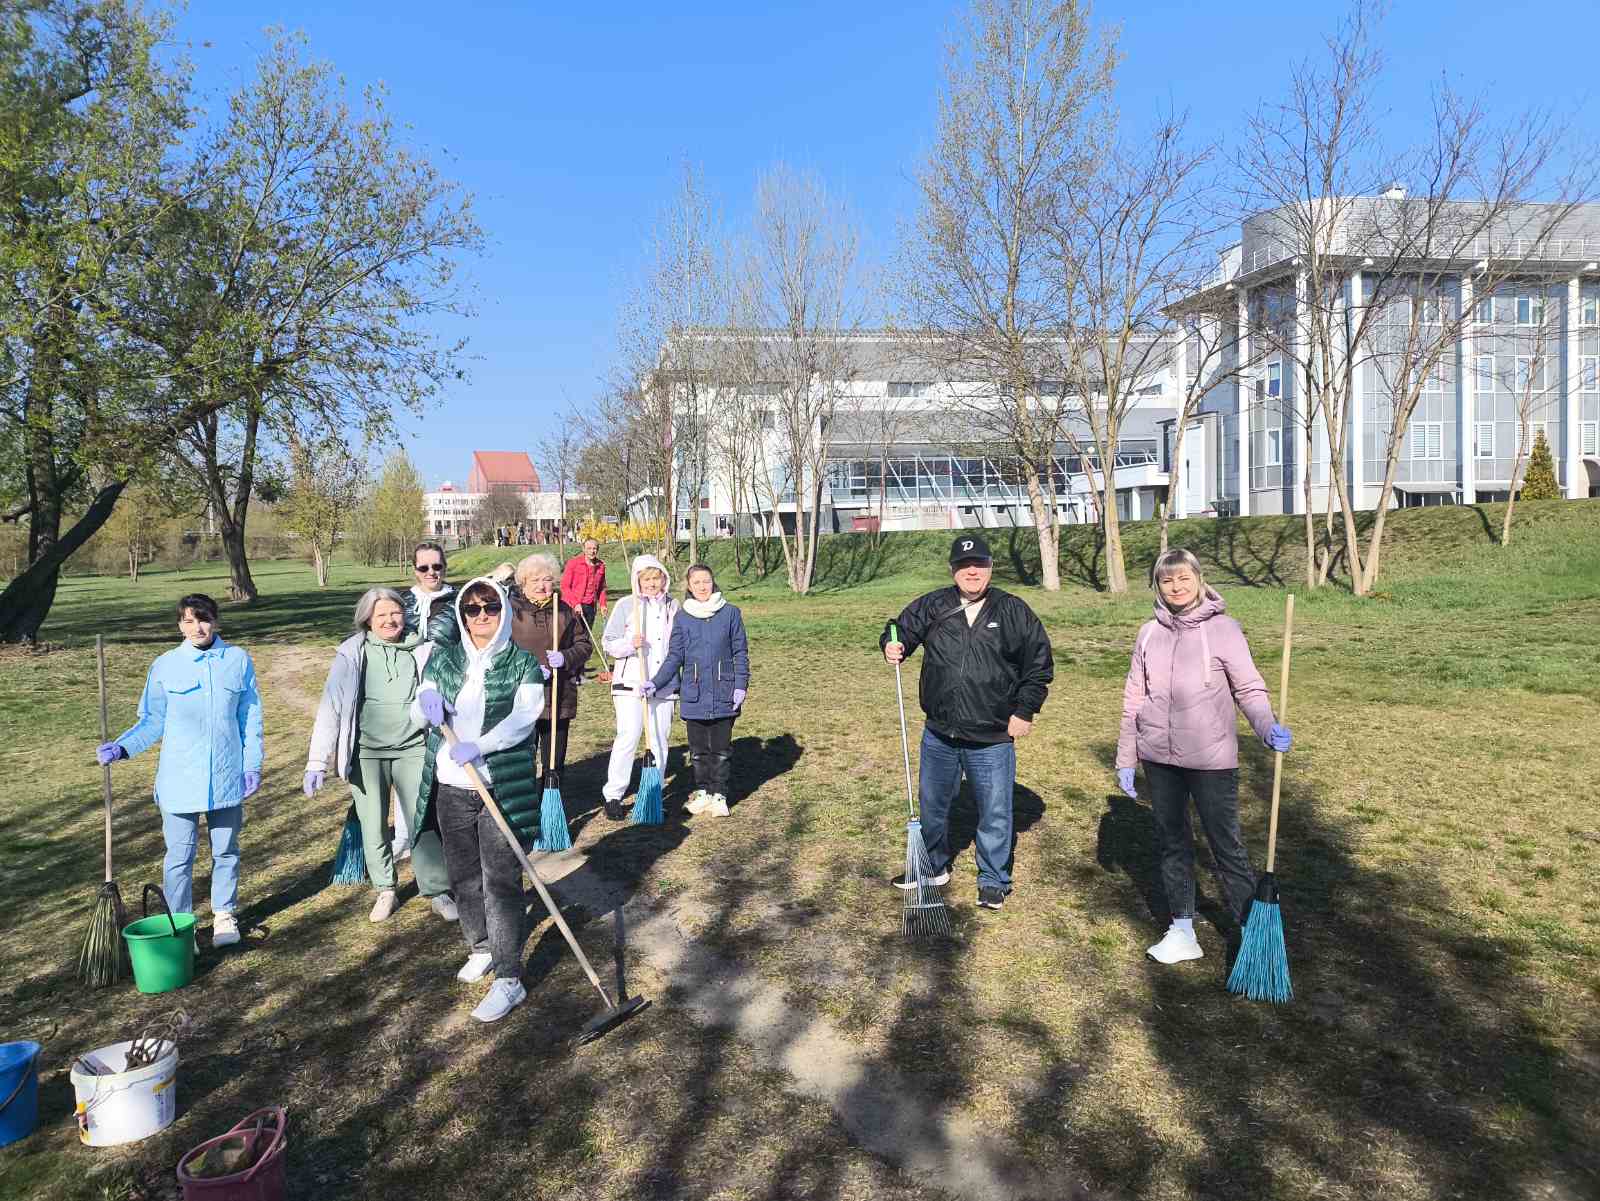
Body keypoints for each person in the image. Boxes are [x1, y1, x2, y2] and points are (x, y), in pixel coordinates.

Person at [1115, 547, 1293, 966]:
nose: (1176, 586)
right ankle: (1182, 930)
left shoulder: (1224, 629)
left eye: (1183, 578)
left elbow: (1248, 688)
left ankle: (1251, 932)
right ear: (1157, 586)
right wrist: (1126, 757)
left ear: (1198, 579)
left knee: (1226, 846)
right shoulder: (1148, 634)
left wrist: (1266, 726)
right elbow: (1133, 699)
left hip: (1212, 760)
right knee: (1172, 844)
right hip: (1159, 758)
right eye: (1167, 580)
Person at [880, 535, 1053, 911]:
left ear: (990, 567)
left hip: (992, 736)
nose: (971, 571)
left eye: (979, 564)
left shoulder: (1013, 611)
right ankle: (932, 867)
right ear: (953, 570)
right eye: (963, 565)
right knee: (933, 806)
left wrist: (1025, 711)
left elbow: (1039, 666)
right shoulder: (934, 604)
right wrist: (892, 644)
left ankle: (993, 879)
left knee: (994, 811)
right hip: (939, 732)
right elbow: (899, 628)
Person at [412, 577, 547, 1022]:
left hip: (497, 786)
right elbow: (421, 700)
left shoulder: (522, 663)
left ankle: (509, 978)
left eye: (490, 606)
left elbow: (525, 718)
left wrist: (481, 746)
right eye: (472, 609)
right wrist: (427, 699)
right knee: (464, 876)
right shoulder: (445, 658)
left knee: (501, 880)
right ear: (462, 616)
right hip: (452, 787)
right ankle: (482, 947)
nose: (482, 615)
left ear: (503, 611)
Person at [96, 594, 263, 947]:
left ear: (216, 621)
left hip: (225, 776)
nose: (197, 627)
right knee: (179, 856)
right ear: (179, 626)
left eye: (203, 619)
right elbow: (152, 720)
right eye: (189, 621)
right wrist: (122, 747)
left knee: (226, 851)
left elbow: (250, 717)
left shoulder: (237, 661)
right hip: (179, 779)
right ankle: (181, 926)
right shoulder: (165, 666)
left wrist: (251, 765)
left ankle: (224, 915)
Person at [303, 588, 455, 923]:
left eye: (395, 613)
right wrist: (317, 761)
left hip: (413, 748)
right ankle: (386, 889)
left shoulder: (422, 649)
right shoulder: (352, 653)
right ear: (367, 620)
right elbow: (331, 707)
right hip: (367, 753)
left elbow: (441, 689)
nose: (389, 620)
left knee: (422, 820)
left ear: (405, 614)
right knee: (373, 824)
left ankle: (437, 890)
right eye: (381, 615)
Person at [645, 564, 748, 817]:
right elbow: (675, 656)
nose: (703, 587)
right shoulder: (683, 617)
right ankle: (703, 792)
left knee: (721, 750)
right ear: (689, 587)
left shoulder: (731, 613)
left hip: (724, 692)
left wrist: (740, 685)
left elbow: (740, 653)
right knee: (699, 751)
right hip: (694, 693)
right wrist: (656, 682)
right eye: (697, 583)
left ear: (713, 583)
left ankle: (719, 795)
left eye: (706, 581)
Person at [600, 554, 677, 822]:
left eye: (656, 578)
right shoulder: (626, 604)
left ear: (664, 579)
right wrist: (629, 644)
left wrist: (664, 678)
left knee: (659, 738)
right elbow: (609, 642)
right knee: (629, 736)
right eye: (646, 579)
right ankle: (613, 795)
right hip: (630, 683)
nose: (652, 583)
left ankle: (652, 793)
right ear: (637, 580)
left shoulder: (673, 606)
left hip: (663, 684)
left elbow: (678, 644)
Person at [508, 554, 593, 788]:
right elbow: (499, 650)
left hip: (557, 696)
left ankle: (550, 801)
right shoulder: (511, 612)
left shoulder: (564, 611)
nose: (541, 586)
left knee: (554, 760)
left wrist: (565, 657)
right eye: (534, 580)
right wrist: (527, 669)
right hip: (521, 696)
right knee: (521, 759)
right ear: (523, 583)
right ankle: (524, 803)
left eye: (546, 579)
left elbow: (584, 645)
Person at [561, 537, 609, 630]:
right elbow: (565, 587)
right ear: (583, 549)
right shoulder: (573, 563)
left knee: (586, 634)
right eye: (589, 548)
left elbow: (602, 588)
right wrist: (575, 604)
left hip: (590, 606)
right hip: (573, 605)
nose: (592, 551)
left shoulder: (600, 566)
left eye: (594, 548)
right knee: (573, 634)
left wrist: (603, 604)